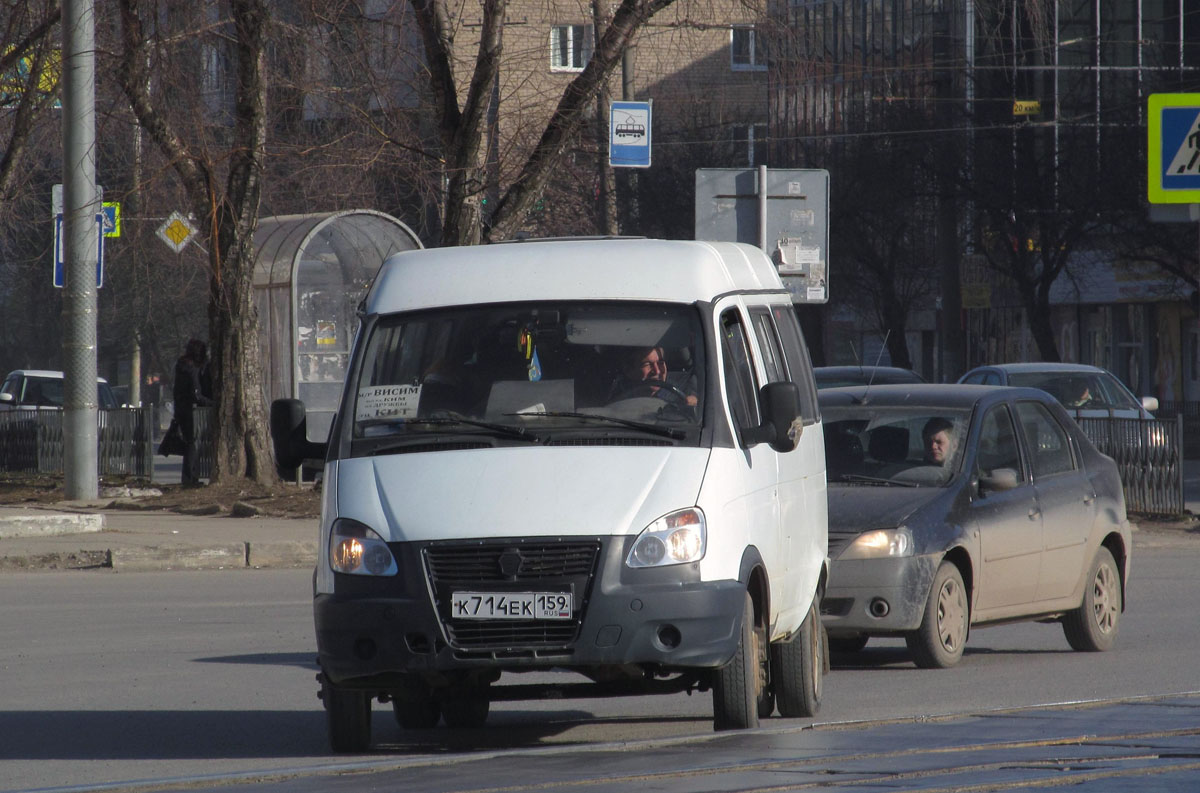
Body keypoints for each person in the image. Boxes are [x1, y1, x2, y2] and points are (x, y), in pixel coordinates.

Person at [173, 338, 214, 486]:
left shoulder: (181, 366)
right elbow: (196, 394)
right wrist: (212, 403)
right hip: (191, 411)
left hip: (182, 409)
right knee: (192, 443)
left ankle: (189, 478)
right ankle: (190, 478)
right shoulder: (192, 369)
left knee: (190, 443)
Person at [608, 345, 698, 406]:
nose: (657, 371)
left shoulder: (685, 387)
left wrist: (693, 404)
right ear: (628, 370)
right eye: (647, 364)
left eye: (660, 362)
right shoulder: (615, 394)